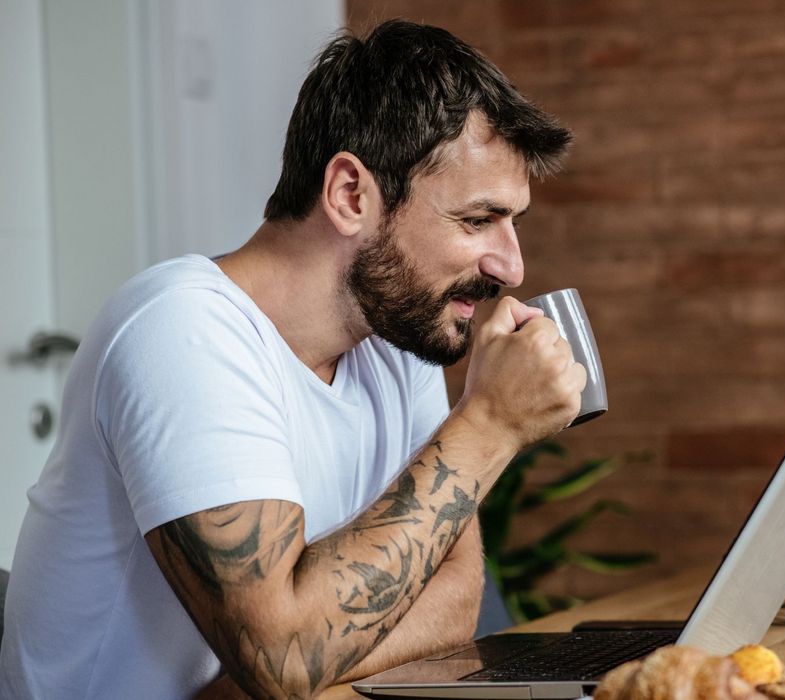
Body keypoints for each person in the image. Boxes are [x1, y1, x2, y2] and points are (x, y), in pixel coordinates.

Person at [0, 20, 584, 699]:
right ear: (350, 195)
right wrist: (489, 426)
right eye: (478, 220)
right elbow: (283, 661)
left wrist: (292, 662)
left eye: (514, 222)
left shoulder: (399, 340)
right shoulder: (182, 332)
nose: (511, 266)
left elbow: (455, 598)